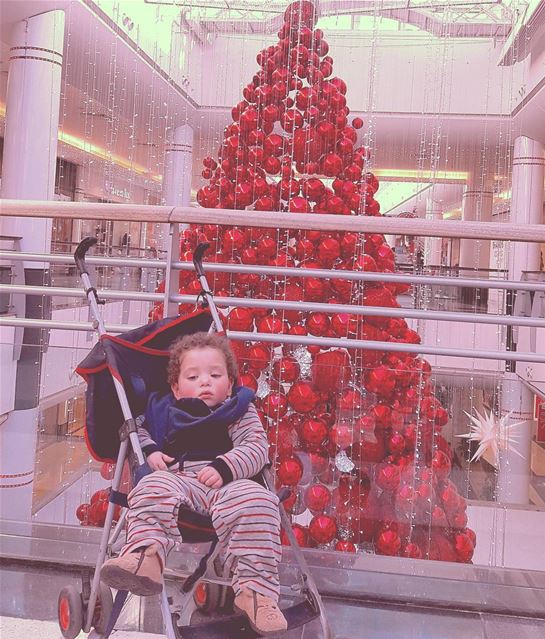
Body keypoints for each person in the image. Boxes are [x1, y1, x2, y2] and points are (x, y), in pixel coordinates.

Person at [100, 332, 287, 636]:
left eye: (215, 375)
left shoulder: (238, 411)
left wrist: (226, 466)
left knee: (260, 500)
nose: (205, 382)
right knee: (151, 486)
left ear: (230, 383)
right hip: (180, 481)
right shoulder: (163, 410)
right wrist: (151, 452)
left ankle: (256, 592)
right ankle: (147, 558)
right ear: (175, 387)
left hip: (231, 485)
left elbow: (256, 447)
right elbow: (139, 435)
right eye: (193, 376)